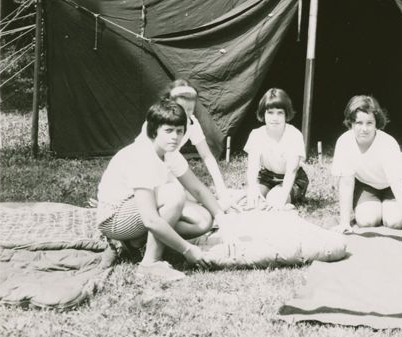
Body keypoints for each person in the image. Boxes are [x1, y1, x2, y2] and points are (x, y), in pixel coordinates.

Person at [96, 99, 223, 283]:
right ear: (154, 131)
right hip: (114, 219)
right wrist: (188, 250)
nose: (175, 137)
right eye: (168, 131)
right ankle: (149, 263)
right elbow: (149, 218)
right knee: (174, 194)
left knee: (203, 220)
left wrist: (224, 220)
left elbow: (197, 188)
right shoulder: (142, 155)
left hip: (135, 212)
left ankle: (136, 243)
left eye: (179, 131)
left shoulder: (169, 153)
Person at [331, 95, 402, 246]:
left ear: (377, 123)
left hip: (395, 184)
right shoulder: (344, 142)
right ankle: (375, 204)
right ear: (351, 123)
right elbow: (347, 183)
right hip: (367, 183)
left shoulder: (387, 144)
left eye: (369, 123)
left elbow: (397, 186)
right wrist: (344, 223)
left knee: (394, 221)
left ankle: (389, 208)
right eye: (359, 122)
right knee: (366, 220)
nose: (364, 128)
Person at [143, 79, 234, 210]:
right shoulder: (156, 122)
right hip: (149, 170)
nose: (185, 115)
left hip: (171, 165)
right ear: (169, 104)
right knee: (188, 200)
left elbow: (207, 155)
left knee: (199, 198)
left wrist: (221, 188)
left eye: (190, 109)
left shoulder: (192, 123)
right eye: (181, 108)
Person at [244, 88, 309, 210]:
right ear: (263, 113)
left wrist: (283, 197)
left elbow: (292, 171)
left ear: (286, 114)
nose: (275, 118)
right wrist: (252, 189)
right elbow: (252, 167)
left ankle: (286, 206)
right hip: (266, 176)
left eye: (280, 113)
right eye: (270, 112)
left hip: (292, 179)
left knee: (274, 200)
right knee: (251, 200)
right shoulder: (256, 134)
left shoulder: (294, 135)